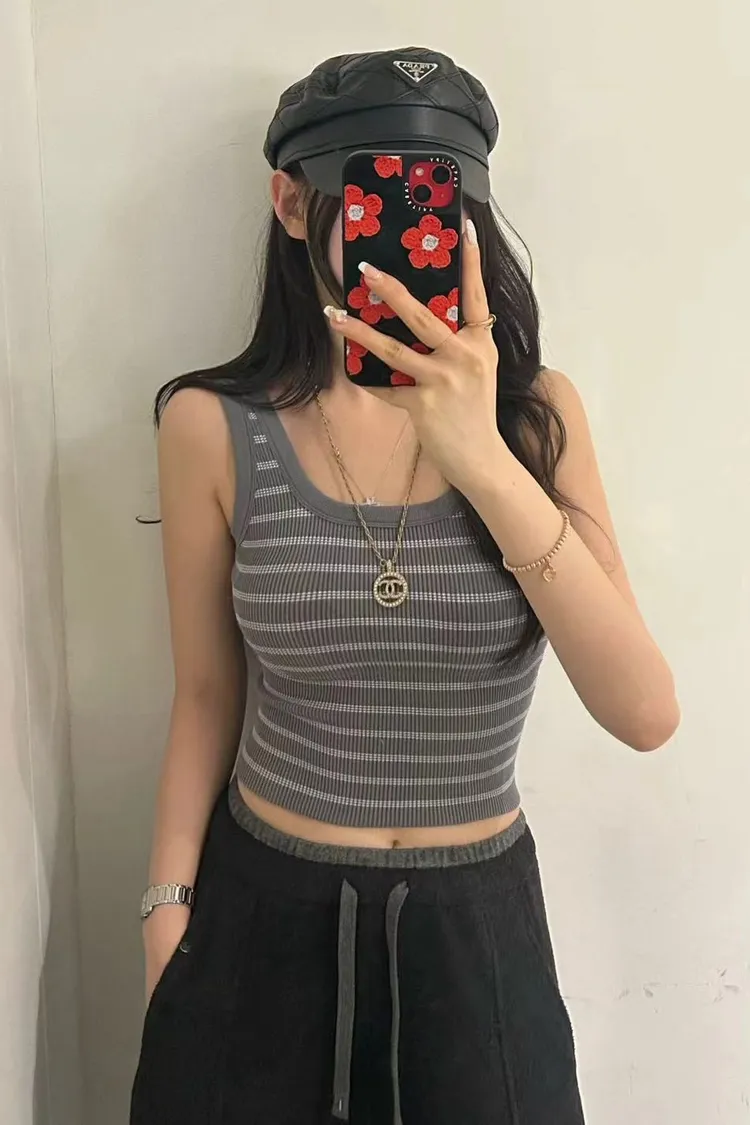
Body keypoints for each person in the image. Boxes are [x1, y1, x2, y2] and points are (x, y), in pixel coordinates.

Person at [130, 46, 679, 1125]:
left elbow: (645, 712)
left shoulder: (539, 420)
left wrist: (483, 459)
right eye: (380, 197)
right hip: (261, 909)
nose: (413, 238)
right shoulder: (210, 427)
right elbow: (204, 693)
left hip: (476, 927)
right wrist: (165, 910)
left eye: (440, 202)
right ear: (294, 203)